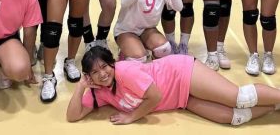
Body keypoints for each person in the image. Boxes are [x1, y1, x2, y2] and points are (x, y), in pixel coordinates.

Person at [66, 46, 280, 125]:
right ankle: (275, 106)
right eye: (95, 72)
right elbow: (73, 116)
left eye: (105, 67)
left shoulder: (125, 71)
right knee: (233, 117)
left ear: (112, 64)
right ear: (89, 76)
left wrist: (132, 117)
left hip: (180, 73)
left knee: (239, 98)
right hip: (180, 100)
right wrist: (80, 88)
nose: (102, 74)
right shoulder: (100, 92)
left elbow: (155, 96)